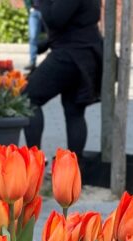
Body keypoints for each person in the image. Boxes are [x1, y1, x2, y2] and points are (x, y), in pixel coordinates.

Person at [23, 0, 103, 159]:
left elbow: (56, 20)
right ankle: (73, 168)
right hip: (84, 54)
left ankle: (34, 161)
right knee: (74, 112)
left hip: (70, 55)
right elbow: (77, 20)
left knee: (28, 99)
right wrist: (47, 43)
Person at [24, 0, 43, 71]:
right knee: (33, 36)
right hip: (34, 12)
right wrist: (29, 8)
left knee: (51, 35)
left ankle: (53, 60)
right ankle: (32, 62)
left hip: (47, 11)